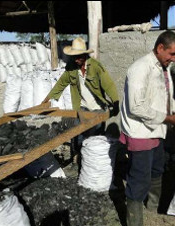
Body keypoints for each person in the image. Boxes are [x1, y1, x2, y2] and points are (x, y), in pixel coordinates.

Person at [119, 30, 175, 226]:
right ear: (160, 48)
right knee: (138, 181)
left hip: (157, 131)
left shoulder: (163, 68)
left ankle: (152, 209)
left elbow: (163, 99)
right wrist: (168, 118)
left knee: (157, 170)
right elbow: (136, 106)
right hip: (141, 133)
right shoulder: (140, 68)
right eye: (172, 54)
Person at [41, 37, 119, 169]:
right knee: (78, 133)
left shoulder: (95, 67)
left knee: (95, 136)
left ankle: (93, 165)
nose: (76, 60)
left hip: (98, 107)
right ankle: (77, 159)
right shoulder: (71, 67)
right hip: (82, 107)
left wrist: (115, 102)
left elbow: (109, 85)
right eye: (74, 57)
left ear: (85, 55)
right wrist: (47, 99)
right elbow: (62, 83)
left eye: (79, 57)